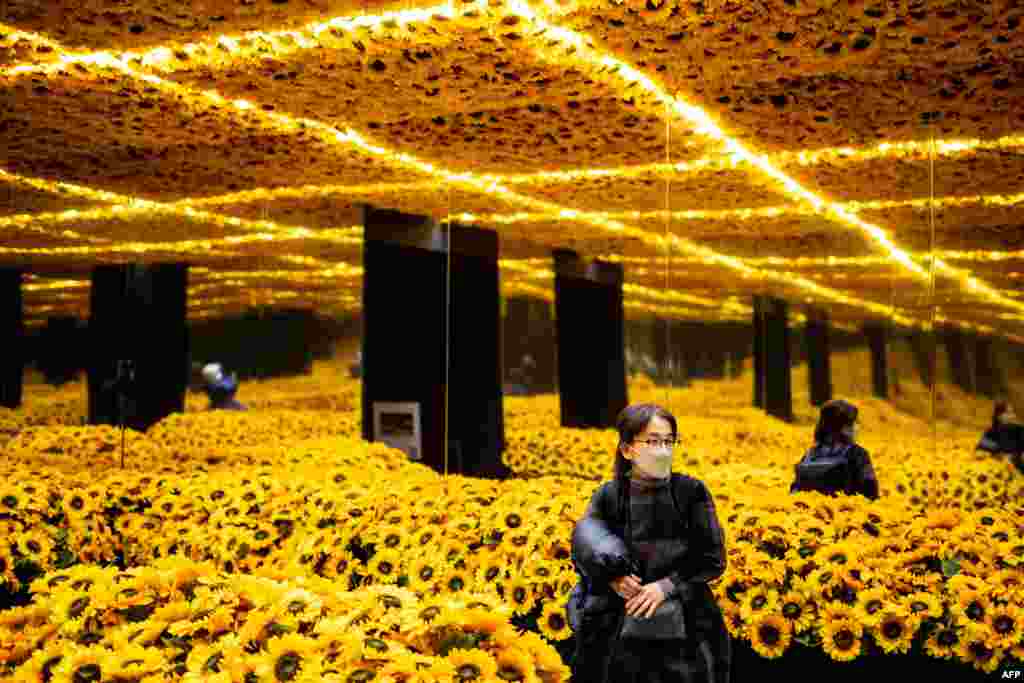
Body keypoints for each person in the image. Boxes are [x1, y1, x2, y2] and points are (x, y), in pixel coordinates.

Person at [569, 403, 730, 683]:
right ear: (627, 449)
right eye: (653, 441)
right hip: (618, 628)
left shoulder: (691, 491)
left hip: (685, 630)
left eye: (669, 441)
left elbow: (712, 558)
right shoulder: (609, 495)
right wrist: (614, 580)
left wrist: (665, 587)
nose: (663, 450)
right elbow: (587, 547)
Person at [790, 399, 878, 500]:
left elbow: (795, 489)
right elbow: (871, 490)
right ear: (844, 428)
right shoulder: (857, 454)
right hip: (847, 511)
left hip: (810, 512)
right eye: (854, 423)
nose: (857, 427)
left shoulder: (811, 453)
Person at [977, 401, 1024, 473]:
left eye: (1012, 413)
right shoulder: (991, 432)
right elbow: (981, 449)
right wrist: (1000, 455)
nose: (1012, 416)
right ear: (999, 416)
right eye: (1008, 413)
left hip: (1019, 473)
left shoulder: (1019, 430)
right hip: (997, 473)